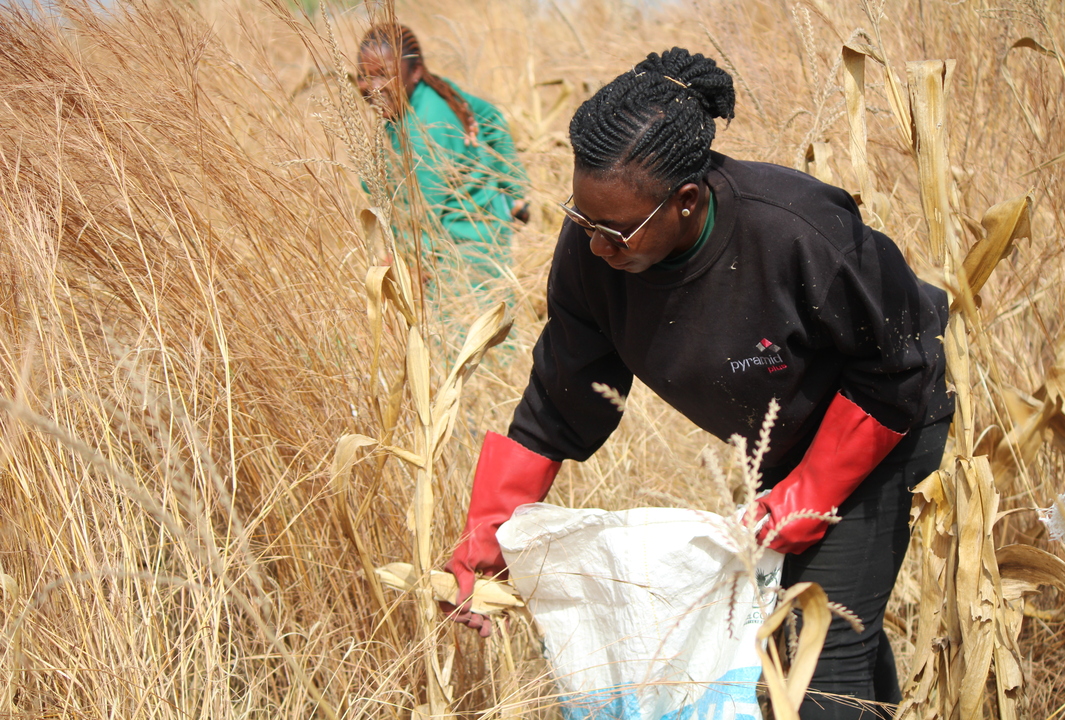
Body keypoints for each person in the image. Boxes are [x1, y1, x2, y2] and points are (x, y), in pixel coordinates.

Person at [444, 46, 955, 719]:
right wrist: (489, 533)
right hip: (783, 441)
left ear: (685, 202)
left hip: (885, 417)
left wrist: (808, 492)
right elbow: (561, 397)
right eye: (582, 220)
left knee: (814, 646)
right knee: (831, 627)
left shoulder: (797, 229)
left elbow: (896, 366)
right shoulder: (596, 252)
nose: (595, 245)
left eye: (615, 231)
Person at [356, 23, 529, 285]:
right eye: (363, 76)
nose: (373, 87)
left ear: (415, 71)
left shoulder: (422, 130)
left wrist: (405, 269)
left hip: (460, 261)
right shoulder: (431, 91)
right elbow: (490, 115)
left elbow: (420, 220)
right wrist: (515, 190)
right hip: (484, 241)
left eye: (384, 74)